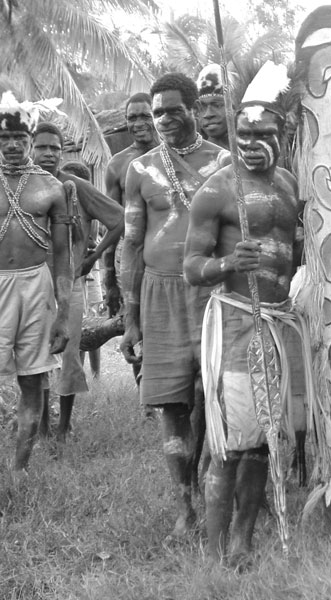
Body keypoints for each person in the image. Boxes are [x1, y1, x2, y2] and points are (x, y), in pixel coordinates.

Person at [184, 72, 305, 566]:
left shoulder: (290, 184)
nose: (253, 145)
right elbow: (191, 268)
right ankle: (215, 550)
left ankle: (243, 541)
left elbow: (296, 252)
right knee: (231, 443)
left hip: (276, 322)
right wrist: (228, 265)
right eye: (244, 135)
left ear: (283, 131)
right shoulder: (216, 190)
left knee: (262, 443)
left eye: (264, 135)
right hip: (236, 322)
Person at [120, 73, 228, 538]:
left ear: (193, 109)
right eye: (156, 110)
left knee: (214, 396)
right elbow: (130, 244)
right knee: (170, 404)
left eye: (172, 109)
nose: (163, 118)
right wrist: (129, 318)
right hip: (159, 295)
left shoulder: (224, 162)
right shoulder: (140, 170)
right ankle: (184, 508)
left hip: (211, 293)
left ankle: (216, 483)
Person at [31, 122, 123, 442]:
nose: (48, 153)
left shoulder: (74, 186)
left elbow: (119, 218)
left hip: (69, 284)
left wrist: (92, 257)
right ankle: (41, 426)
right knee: (35, 357)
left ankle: (64, 425)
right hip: (31, 284)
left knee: (69, 353)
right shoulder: (22, 185)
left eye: (54, 148)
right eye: (41, 147)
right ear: (31, 148)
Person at [0, 92, 71, 470]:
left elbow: (63, 256)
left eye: (19, 139)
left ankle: (19, 469)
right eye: (4, 139)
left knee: (32, 379)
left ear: (30, 140)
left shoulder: (51, 188)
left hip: (36, 285)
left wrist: (63, 312)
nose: (12, 145)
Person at [104, 92, 158, 321]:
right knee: (134, 324)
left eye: (145, 116)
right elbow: (112, 222)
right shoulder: (117, 164)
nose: (138, 124)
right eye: (131, 118)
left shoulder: (174, 156)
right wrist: (109, 277)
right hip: (128, 252)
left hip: (165, 250)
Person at [195, 64, 229, 150]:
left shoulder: (254, 152)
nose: (208, 114)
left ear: (234, 107)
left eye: (217, 105)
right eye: (202, 107)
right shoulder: (194, 158)